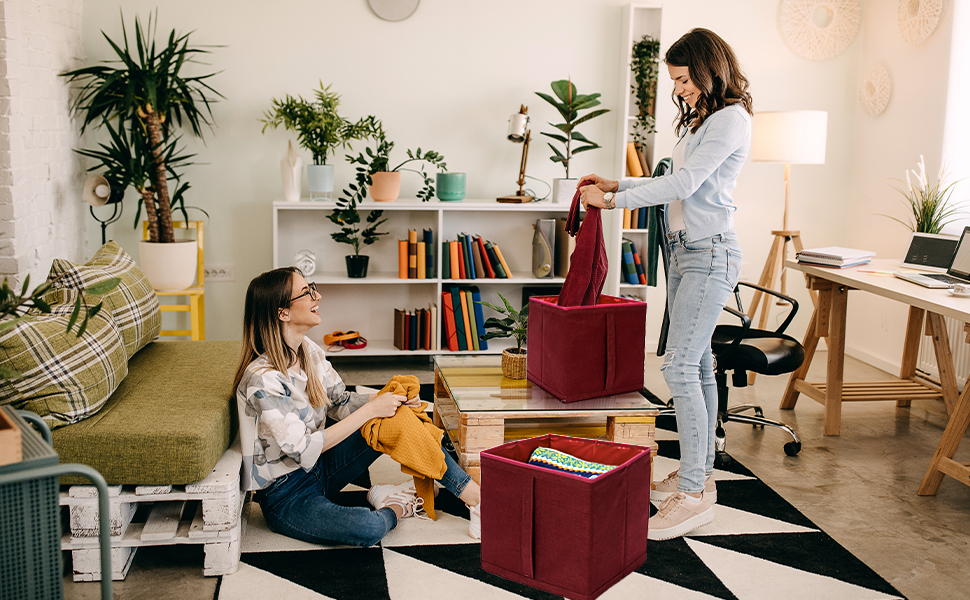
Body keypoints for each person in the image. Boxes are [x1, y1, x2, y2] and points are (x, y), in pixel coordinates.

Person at [579, 28, 752, 541]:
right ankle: (700, 477)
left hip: (709, 254)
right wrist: (619, 184)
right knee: (696, 366)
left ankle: (694, 495)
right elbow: (673, 182)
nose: (678, 89)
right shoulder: (704, 119)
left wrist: (612, 203)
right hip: (683, 253)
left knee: (678, 365)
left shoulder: (730, 119)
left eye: (682, 80)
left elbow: (685, 184)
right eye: (674, 81)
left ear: (706, 70)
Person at [231, 267, 481, 547]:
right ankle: (395, 504)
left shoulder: (308, 351)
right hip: (286, 494)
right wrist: (372, 410)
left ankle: (474, 496)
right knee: (367, 528)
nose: (318, 295)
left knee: (396, 415)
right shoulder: (263, 379)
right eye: (308, 292)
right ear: (283, 313)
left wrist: (391, 398)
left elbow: (341, 403)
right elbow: (301, 448)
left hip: (321, 467)